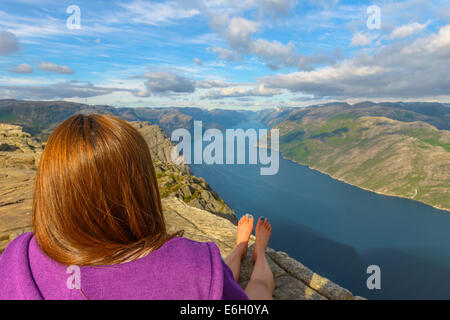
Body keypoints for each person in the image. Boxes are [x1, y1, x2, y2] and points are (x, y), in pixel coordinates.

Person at [0, 114, 274, 300]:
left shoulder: (16, 257)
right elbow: (229, 289)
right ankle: (257, 251)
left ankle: (240, 248)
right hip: (204, 277)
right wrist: (256, 254)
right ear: (141, 186)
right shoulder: (196, 265)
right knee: (250, 285)